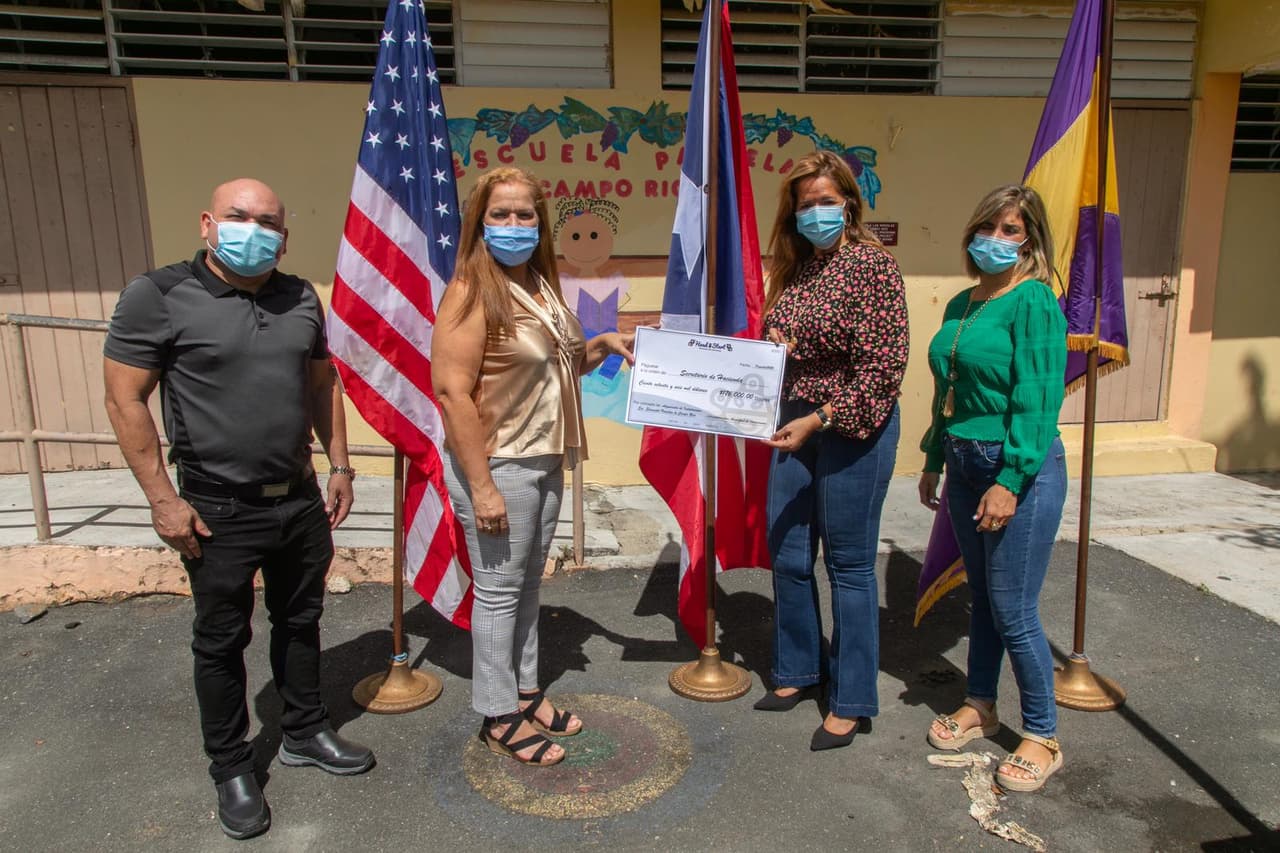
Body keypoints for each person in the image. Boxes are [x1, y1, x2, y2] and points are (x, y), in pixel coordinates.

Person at [103, 179, 372, 840]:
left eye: (269, 221)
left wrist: (337, 464)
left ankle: (305, 728)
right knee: (222, 638)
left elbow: (320, 381)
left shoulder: (300, 296)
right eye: (239, 216)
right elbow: (124, 398)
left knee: (301, 618)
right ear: (207, 222)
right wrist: (163, 500)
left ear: (285, 234)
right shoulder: (159, 295)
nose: (254, 229)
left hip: (299, 501)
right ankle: (231, 765)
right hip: (215, 509)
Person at [431, 167, 633, 767]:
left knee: (525, 585)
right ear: (480, 222)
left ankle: (523, 693)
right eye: (502, 214)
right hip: (500, 464)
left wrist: (601, 346)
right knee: (497, 592)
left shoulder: (540, 285)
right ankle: (497, 716)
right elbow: (451, 394)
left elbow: (556, 364)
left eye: (525, 215)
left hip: (544, 458)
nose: (515, 225)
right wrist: (483, 487)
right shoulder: (471, 289)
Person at [756, 150, 909, 751]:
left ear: (849, 201)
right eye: (805, 204)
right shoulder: (797, 271)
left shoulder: (873, 267)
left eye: (826, 201)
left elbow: (883, 367)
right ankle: (797, 669)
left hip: (850, 428)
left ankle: (850, 698)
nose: (816, 212)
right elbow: (783, 351)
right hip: (794, 422)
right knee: (789, 555)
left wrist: (821, 417)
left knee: (848, 564)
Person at [918, 184, 1068, 792]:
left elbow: (1038, 400)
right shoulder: (963, 302)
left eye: (1011, 230)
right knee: (981, 597)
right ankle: (981, 703)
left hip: (1017, 469)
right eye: (989, 227)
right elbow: (946, 391)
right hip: (962, 461)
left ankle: (1043, 733)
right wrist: (933, 456)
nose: (997, 240)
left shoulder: (1034, 301)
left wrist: (1010, 480)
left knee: (1013, 607)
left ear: (1030, 238)